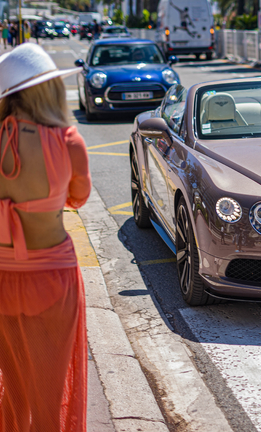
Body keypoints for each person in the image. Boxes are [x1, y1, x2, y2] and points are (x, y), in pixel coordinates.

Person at [0, 43, 91, 431]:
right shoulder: (68, 141)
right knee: (50, 393)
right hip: (52, 277)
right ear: (48, 89)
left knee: (14, 386)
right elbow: (78, 198)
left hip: (2, 276)